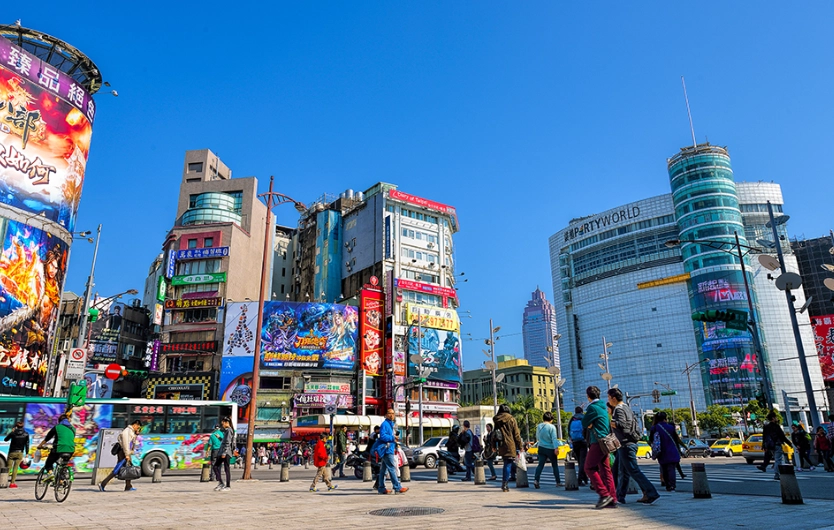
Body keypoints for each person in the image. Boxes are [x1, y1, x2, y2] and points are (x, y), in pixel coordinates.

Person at [607, 388, 659, 505]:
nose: (608, 401)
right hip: (627, 443)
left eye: (609, 398)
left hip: (626, 444)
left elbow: (624, 426)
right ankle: (619, 496)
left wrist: (612, 423)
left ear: (613, 398)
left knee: (634, 470)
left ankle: (651, 492)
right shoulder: (626, 407)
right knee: (623, 471)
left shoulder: (619, 410)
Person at [581, 386, 617, 509]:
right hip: (606, 441)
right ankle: (612, 498)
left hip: (598, 442)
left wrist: (590, 425)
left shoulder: (592, 408)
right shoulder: (603, 407)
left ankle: (604, 494)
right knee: (606, 470)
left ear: (588, 396)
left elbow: (585, 422)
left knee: (589, 468)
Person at [100, 419, 142, 492]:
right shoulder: (127, 431)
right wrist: (127, 455)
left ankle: (128, 486)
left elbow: (132, 442)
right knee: (119, 468)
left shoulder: (131, 431)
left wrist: (136, 433)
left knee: (128, 468)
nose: (137, 429)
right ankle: (103, 484)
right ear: (135, 424)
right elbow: (125, 444)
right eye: (138, 427)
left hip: (126, 452)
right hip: (123, 452)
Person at [37, 409, 76, 484]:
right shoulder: (73, 429)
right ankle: (61, 481)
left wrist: (40, 445)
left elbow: (48, 437)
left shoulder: (57, 427)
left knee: (49, 463)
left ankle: (50, 474)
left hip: (59, 448)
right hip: (71, 449)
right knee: (63, 465)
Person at [376, 409, 408, 495]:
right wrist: (392, 438)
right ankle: (397, 487)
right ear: (386, 414)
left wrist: (395, 439)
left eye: (393, 413)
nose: (392, 415)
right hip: (386, 449)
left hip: (389, 448)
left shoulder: (391, 425)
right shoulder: (385, 424)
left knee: (383, 470)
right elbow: (382, 436)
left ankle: (381, 488)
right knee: (392, 468)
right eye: (390, 413)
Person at [649, 411, 682, 492]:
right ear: (665, 418)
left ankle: (667, 485)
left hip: (661, 451)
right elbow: (676, 439)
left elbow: (650, 439)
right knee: (671, 469)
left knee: (664, 468)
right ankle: (672, 486)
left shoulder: (655, 428)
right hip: (672, 450)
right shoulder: (671, 427)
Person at [493, 403, 523, 492]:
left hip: (502, 444)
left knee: (507, 462)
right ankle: (505, 484)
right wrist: (520, 446)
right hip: (510, 444)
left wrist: (494, 445)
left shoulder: (497, 420)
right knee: (508, 463)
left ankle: (505, 482)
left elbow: (495, 434)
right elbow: (516, 434)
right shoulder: (512, 419)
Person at [758, 412, 792, 480]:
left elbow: (764, 437)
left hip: (770, 446)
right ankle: (777, 474)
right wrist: (790, 444)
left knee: (776, 459)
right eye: (775, 417)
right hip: (777, 444)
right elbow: (782, 436)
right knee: (778, 460)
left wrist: (764, 446)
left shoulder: (766, 427)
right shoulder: (776, 426)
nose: (776, 418)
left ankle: (767, 468)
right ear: (773, 418)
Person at [533, 411, 562, 488]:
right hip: (550, 448)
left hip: (541, 447)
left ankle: (536, 480)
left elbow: (537, 437)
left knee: (540, 465)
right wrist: (556, 448)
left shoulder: (539, 426)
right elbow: (554, 438)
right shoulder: (552, 427)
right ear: (551, 419)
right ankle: (558, 482)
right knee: (554, 465)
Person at [4, 420, 30, 489]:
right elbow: (27, 444)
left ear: (16, 426)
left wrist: (11, 432)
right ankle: (12, 483)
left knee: (8, 467)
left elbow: (5, 439)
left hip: (12, 452)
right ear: (23, 426)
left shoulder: (13, 433)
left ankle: (4, 482)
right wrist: (27, 453)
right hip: (20, 453)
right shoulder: (26, 434)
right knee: (15, 468)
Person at [568, 406, 589, 486]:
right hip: (583, 441)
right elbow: (587, 430)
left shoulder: (572, 419)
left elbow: (568, 430)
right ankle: (580, 479)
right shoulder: (584, 418)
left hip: (575, 442)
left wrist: (572, 439)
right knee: (583, 461)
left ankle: (585, 478)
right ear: (582, 411)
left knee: (580, 461)